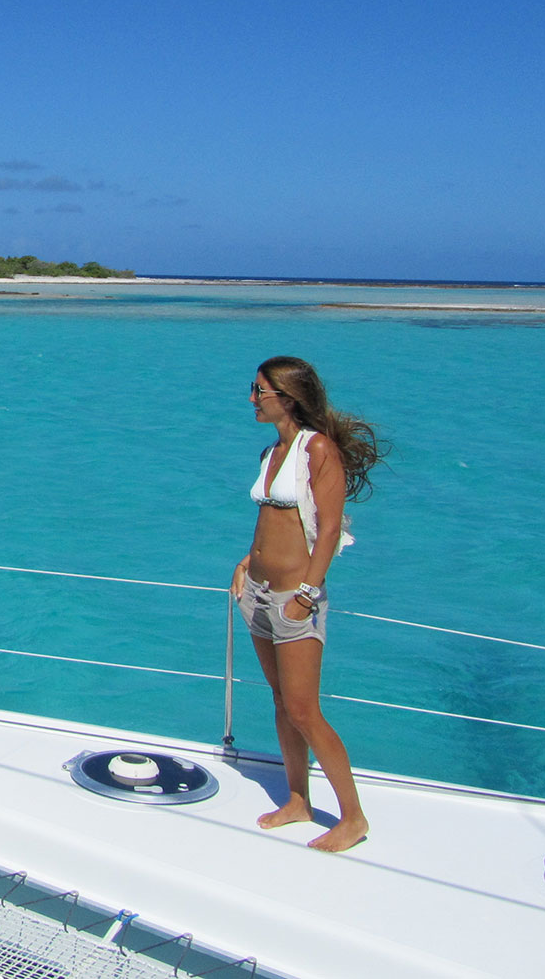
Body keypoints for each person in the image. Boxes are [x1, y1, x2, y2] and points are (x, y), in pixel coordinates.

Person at [231, 355, 386, 852]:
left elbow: (330, 529)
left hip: (294, 597)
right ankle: (298, 799)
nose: (252, 399)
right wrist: (245, 562)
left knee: (304, 709)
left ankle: (353, 817)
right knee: (280, 701)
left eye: (260, 391)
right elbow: (273, 523)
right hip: (257, 591)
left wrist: (307, 593)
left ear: (288, 397)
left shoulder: (317, 449)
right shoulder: (271, 451)